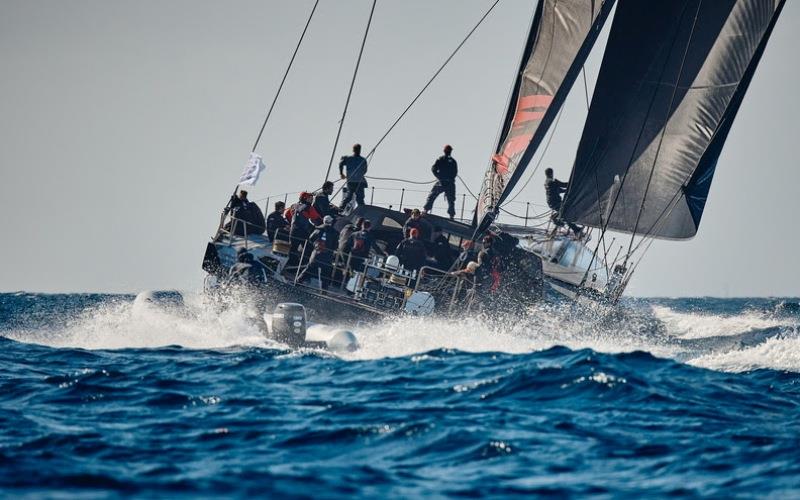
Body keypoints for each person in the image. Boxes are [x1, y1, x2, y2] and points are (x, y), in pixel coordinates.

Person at [298, 216, 339, 289]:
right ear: (331, 222)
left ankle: (298, 282)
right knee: (325, 275)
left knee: (309, 268)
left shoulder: (318, 229)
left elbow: (310, 239)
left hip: (316, 254)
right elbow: (335, 246)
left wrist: (315, 245)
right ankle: (324, 291)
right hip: (327, 257)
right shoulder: (335, 233)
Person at [285, 192, 322, 266]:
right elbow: (317, 219)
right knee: (309, 248)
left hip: (293, 230)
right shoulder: (309, 207)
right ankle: (304, 265)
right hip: (302, 231)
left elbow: (287, 214)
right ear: (305, 198)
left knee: (292, 248)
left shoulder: (294, 206)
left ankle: (289, 265)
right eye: (310, 199)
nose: (312, 200)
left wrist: (291, 223)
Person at [544, 168, 583, 236]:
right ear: (551, 173)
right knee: (565, 213)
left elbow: (560, 189)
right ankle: (575, 229)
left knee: (565, 212)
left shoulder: (548, 182)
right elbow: (563, 185)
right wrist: (574, 183)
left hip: (553, 202)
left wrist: (569, 189)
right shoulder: (551, 182)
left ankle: (575, 229)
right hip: (555, 202)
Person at [423, 144, 458, 220]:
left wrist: (439, 176)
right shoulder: (452, 161)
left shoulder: (441, 159)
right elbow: (455, 172)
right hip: (449, 183)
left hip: (442, 182)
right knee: (451, 200)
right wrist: (448, 178)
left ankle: (426, 210)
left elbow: (433, 168)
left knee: (432, 195)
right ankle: (451, 215)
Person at [339, 143, 368, 208]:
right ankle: (341, 208)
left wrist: (342, 173)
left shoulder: (361, 160)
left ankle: (362, 210)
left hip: (357, 181)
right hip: (353, 181)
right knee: (350, 197)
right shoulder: (349, 159)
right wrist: (341, 173)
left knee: (358, 198)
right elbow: (341, 164)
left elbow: (365, 170)